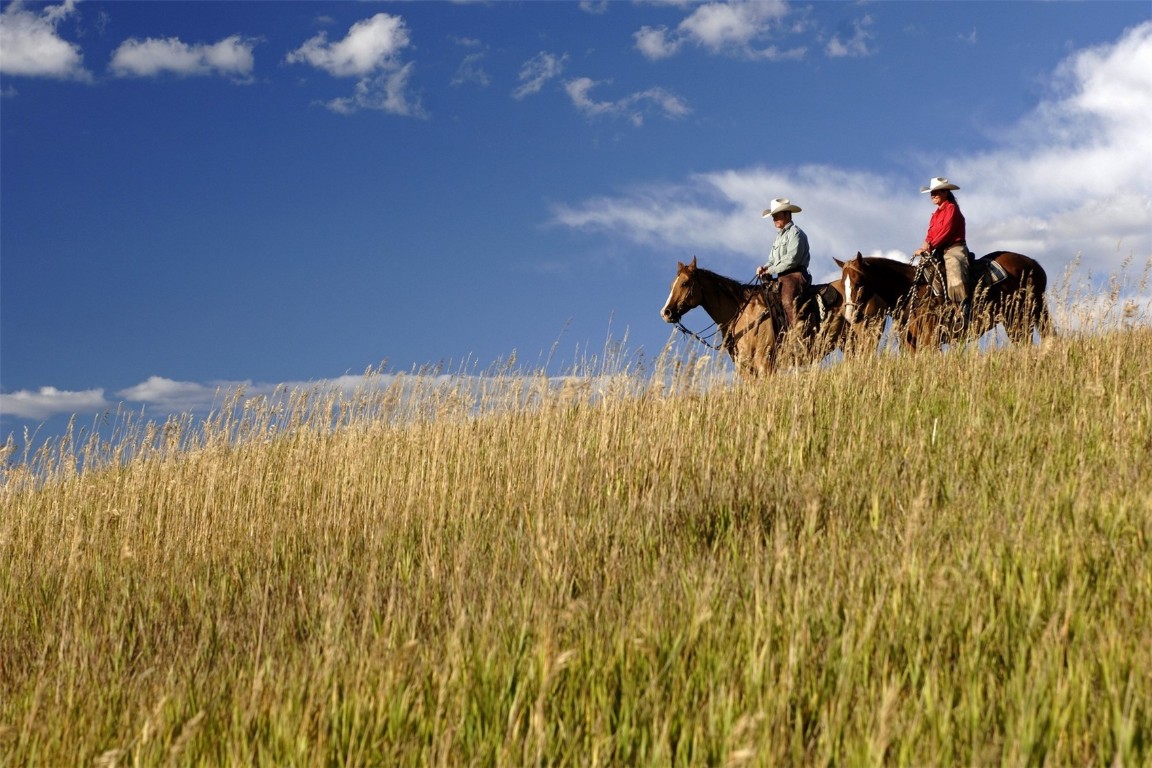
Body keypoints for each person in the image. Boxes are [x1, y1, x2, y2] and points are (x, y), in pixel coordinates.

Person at [913, 177, 972, 324]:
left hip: (954, 248)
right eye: (931, 193)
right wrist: (924, 246)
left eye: (936, 192)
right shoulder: (935, 215)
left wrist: (930, 246)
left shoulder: (951, 209)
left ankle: (963, 308)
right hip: (938, 250)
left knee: (954, 269)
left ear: (946, 192)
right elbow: (930, 235)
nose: (932, 195)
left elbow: (945, 232)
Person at [756, 198, 810, 333]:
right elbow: (772, 259)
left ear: (787, 214)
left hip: (795, 275)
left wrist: (771, 270)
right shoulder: (778, 237)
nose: (774, 219)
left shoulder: (796, 233)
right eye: (773, 216)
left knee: (787, 300)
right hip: (781, 275)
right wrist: (764, 268)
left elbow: (792, 259)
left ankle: (798, 334)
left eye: (777, 215)